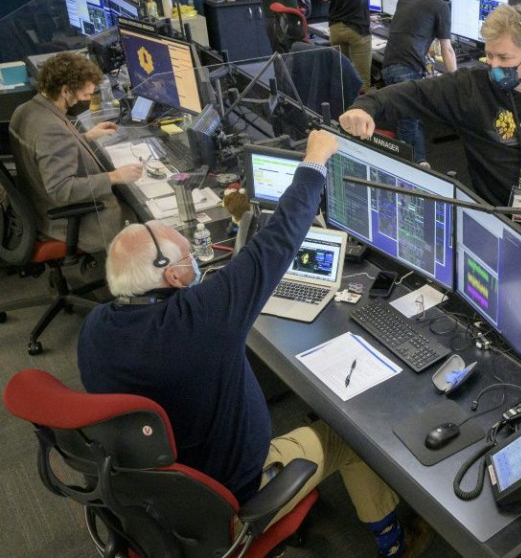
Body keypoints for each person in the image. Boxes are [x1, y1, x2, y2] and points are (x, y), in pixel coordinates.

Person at [76, 129, 432, 558]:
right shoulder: (201, 319)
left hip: (154, 486)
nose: (196, 266)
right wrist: (315, 160)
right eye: (190, 260)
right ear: (171, 277)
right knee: (350, 436)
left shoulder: (95, 325)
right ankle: (395, 542)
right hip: (229, 492)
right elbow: (278, 240)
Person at [339, 4, 521, 251]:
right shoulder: (471, 86)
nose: (494, 66)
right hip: (492, 218)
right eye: (489, 56)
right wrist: (366, 105)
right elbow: (414, 94)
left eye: (504, 58)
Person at [9, 52, 142, 254]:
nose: (88, 99)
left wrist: (86, 137)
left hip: (37, 205)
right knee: (144, 219)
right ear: (65, 91)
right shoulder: (51, 130)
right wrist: (115, 176)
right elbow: (61, 189)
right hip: (70, 221)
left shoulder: (25, 110)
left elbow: (46, 153)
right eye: (86, 95)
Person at [381, 0, 457, 165]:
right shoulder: (440, 5)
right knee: (408, 123)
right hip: (406, 69)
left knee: (414, 117)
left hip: (388, 65)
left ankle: (422, 163)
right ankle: (404, 166)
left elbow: (414, 28)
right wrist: (456, 79)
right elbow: (447, 49)